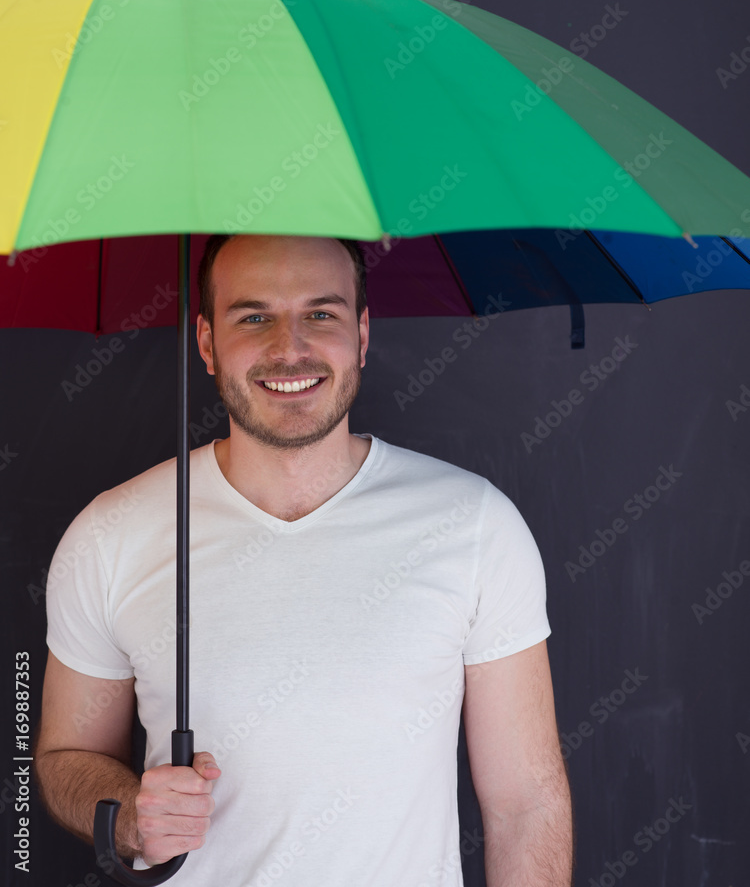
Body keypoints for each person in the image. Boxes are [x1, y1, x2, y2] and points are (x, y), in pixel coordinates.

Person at [35, 234, 573, 886]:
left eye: (321, 313)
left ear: (363, 333)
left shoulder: (475, 524)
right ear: (206, 342)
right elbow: (67, 756)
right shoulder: (110, 534)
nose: (289, 347)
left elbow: (525, 806)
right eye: (253, 315)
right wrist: (126, 819)